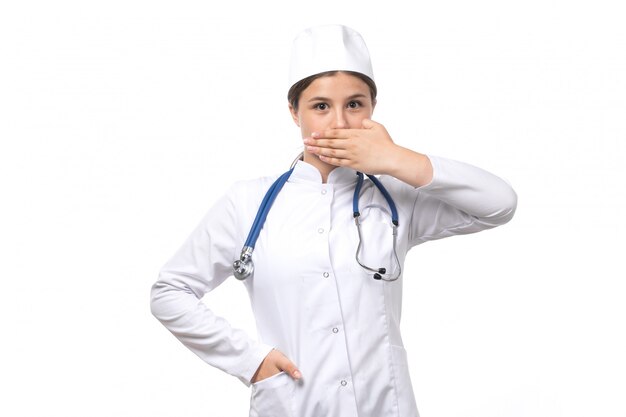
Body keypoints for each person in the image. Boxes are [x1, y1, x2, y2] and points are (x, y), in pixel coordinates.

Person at [150, 24, 517, 417]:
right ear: (295, 112)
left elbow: (499, 204)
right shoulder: (247, 202)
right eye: (320, 106)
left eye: (355, 104)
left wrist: (396, 158)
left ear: (372, 109)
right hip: (294, 405)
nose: (339, 123)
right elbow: (170, 292)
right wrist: (250, 359)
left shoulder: (396, 197)